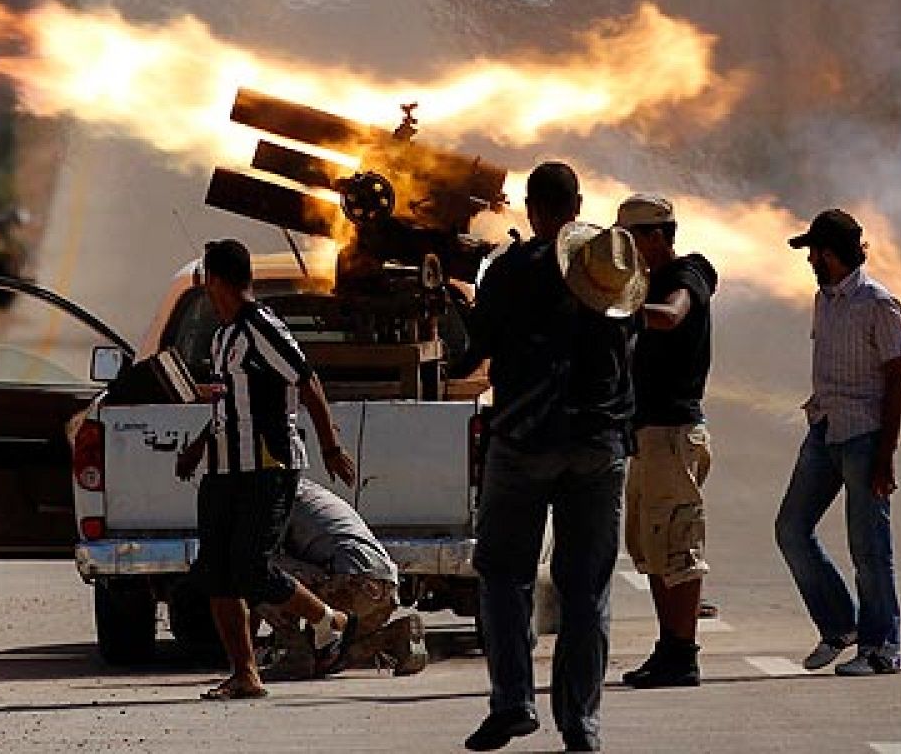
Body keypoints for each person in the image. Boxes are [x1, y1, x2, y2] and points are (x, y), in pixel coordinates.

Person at [461, 162, 645, 753]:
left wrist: (458, 299)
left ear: (533, 210)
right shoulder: (611, 269)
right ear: (579, 205)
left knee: (503, 575)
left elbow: (470, 354)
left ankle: (513, 702)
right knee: (586, 589)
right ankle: (582, 723)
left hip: (524, 441)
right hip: (599, 444)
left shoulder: (511, 270)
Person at [175, 238, 360, 700]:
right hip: (223, 469)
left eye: (206, 282)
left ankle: (330, 621)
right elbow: (229, 406)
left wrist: (331, 446)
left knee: (250, 569)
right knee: (216, 571)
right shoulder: (222, 337)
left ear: (216, 281)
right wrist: (198, 447)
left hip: (267, 465)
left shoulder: (261, 327)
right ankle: (245, 674)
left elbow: (307, 381)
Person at [776, 209, 901, 677]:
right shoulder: (825, 299)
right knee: (791, 529)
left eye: (814, 251)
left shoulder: (878, 303)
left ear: (832, 254)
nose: (809, 260)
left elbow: (897, 381)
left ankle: (882, 648)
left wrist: (885, 456)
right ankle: (840, 625)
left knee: (869, 547)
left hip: (863, 436)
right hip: (824, 429)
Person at [614, 194, 719, 688]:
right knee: (651, 547)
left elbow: (672, 314)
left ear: (656, 236)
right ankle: (669, 647)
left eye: (631, 239)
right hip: (648, 435)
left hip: (672, 434)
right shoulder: (647, 281)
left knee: (677, 547)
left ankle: (683, 652)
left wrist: (623, 309)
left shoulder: (686, 275)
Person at [256, 477, 428, 678]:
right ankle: (393, 635)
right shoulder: (310, 492)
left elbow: (266, 568)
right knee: (326, 661)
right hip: (384, 586)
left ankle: (295, 652)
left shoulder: (273, 496)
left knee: (254, 567)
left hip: (349, 584)